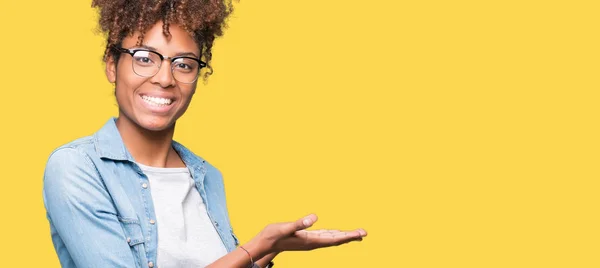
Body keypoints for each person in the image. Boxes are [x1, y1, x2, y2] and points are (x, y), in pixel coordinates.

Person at [42, 0, 367, 267]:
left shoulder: (206, 175)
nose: (165, 78)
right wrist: (254, 247)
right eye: (144, 58)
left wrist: (269, 250)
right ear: (112, 65)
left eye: (183, 64)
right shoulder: (77, 168)